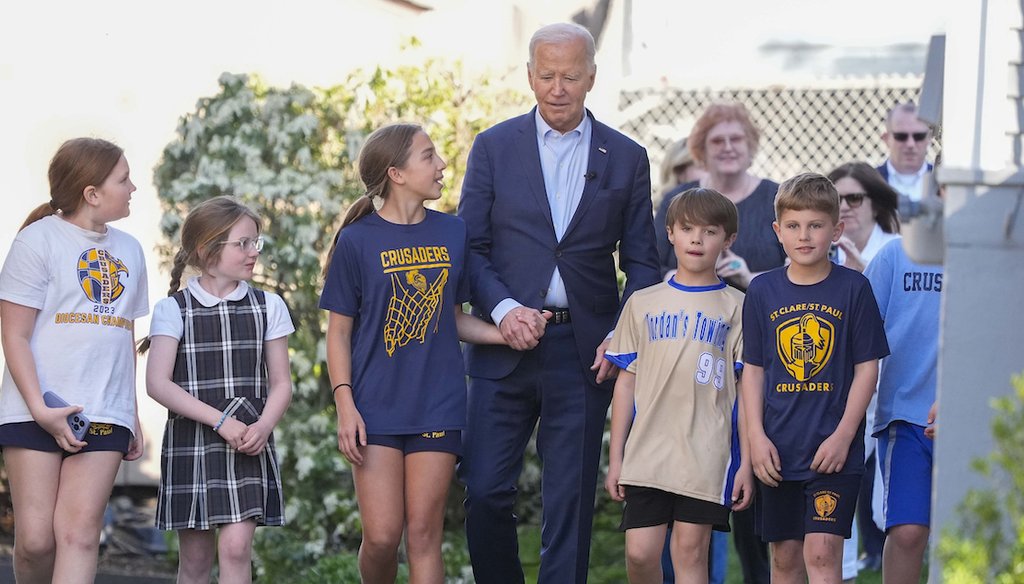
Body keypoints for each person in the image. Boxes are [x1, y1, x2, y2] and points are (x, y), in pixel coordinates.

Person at [457, 22, 661, 584]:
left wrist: (622, 336)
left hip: (585, 349)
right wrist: (502, 311)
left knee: (569, 500)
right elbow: (468, 247)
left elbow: (643, 261)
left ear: (591, 77)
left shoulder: (626, 156)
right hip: (503, 346)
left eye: (570, 76)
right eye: (546, 75)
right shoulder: (493, 148)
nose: (557, 87)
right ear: (528, 75)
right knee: (484, 490)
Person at [320, 123, 511, 583]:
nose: (442, 165)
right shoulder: (356, 241)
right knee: (383, 537)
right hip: (374, 408)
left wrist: (504, 333)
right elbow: (338, 333)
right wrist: (346, 406)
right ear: (396, 173)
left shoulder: (453, 232)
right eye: (429, 156)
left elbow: (453, 316)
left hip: (438, 405)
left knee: (423, 534)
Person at [0, 137, 148, 583]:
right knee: (35, 540)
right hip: (34, 408)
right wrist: (42, 410)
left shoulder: (131, 250)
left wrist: (133, 414)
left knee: (80, 535)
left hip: (105, 410)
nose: (133, 187)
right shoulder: (36, 241)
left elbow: (123, 337)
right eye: (123, 179)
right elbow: (15, 335)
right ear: (91, 193)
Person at [741, 173, 889, 584]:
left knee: (823, 555)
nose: (804, 236)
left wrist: (844, 435)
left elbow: (867, 368)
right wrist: (756, 438)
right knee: (785, 559)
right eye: (793, 225)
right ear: (778, 231)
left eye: (815, 225)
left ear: (836, 229)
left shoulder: (854, 289)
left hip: (832, 452)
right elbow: (752, 371)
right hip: (777, 450)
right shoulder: (762, 291)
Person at [604, 188, 753, 584]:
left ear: (729, 239)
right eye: (687, 229)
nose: (697, 240)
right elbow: (625, 385)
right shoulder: (643, 302)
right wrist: (616, 457)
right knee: (639, 554)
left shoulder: (737, 307)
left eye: (709, 231)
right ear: (670, 233)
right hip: (648, 450)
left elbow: (745, 394)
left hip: (706, 449)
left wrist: (745, 463)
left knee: (689, 555)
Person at [144, 196, 292, 584]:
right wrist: (220, 421)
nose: (252, 252)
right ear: (207, 250)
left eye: (255, 242)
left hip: (248, 443)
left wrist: (263, 425)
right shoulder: (173, 310)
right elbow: (157, 384)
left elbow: (281, 383)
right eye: (242, 244)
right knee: (194, 562)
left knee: (237, 548)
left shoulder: (269, 306)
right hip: (193, 443)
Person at [827, 162, 901, 576]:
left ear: (874, 203)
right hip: (840, 388)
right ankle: (843, 570)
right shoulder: (816, 249)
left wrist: (859, 284)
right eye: (836, 199)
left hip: (891, 384)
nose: (845, 207)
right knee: (837, 481)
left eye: (854, 198)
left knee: (888, 507)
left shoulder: (898, 250)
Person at [864, 237, 943, 584]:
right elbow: (857, 326)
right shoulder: (898, 252)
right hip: (908, 417)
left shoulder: (996, 249)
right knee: (908, 532)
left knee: (966, 532)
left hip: (976, 415)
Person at [654, 102, 785, 296]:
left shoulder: (778, 198)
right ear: (701, 150)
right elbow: (650, 262)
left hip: (759, 314)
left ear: (750, 146)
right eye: (717, 141)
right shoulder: (676, 199)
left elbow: (799, 269)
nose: (728, 147)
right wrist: (676, 277)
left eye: (736, 139)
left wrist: (749, 278)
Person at [876, 103, 934, 202]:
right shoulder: (869, 183)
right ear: (886, 138)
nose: (910, 144)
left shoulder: (943, 183)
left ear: (929, 138)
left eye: (918, 136)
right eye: (901, 136)